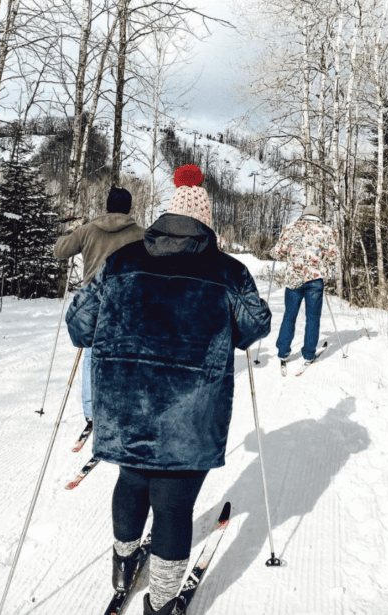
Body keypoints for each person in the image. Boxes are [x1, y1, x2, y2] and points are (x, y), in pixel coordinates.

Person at [65, 164, 271, 615]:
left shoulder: (121, 261)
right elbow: (254, 325)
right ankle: (160, 603)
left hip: (125, 407)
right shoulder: (229, 271)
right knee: (174, 503)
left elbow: (79, 326)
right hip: (191, 416)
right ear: (207, 223)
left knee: (132, 479)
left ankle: (123, 563)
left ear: (164, 218)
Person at [54, 186, 145, 426]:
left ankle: (92, 411)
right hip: (129, 302)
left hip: (93, 303)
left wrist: (72, 231)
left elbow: (59, 251)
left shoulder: (87, 231)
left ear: (107, 206)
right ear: (129, 207)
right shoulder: (141, 234)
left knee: (93, 354)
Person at [271, 204, 338, 364]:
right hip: (315, 280)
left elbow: (278, 252)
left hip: (294, 279)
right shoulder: (327, 230)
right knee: (313, 318)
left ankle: (283, 351)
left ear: (303, 214)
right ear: (318, 215)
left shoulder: (290, 228)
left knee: (290, 315)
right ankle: (309, 354)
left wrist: (273, 251)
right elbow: (333, 257)